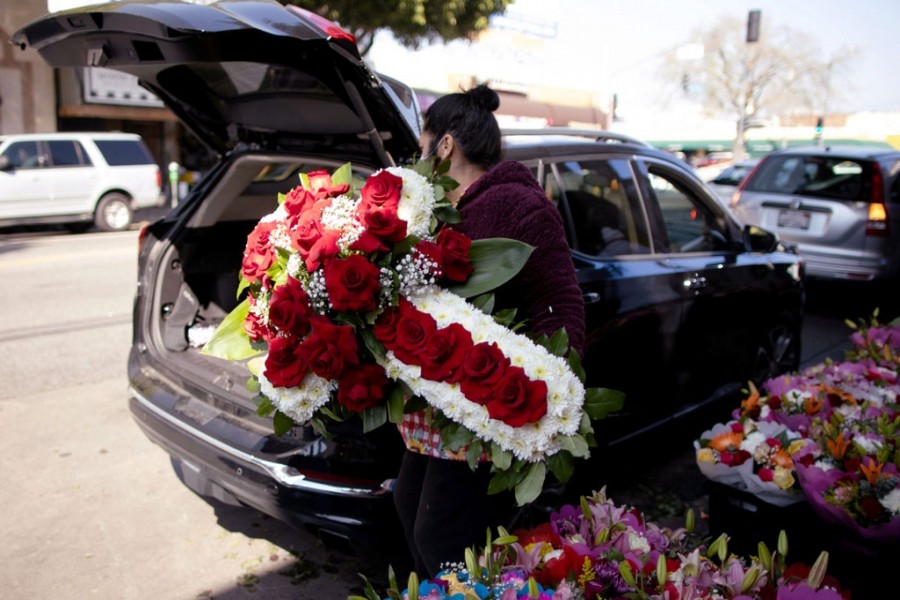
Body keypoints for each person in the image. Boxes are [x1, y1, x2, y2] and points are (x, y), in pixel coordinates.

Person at [392, 84, 586, 577]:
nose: (419, 156)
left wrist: (548, 394)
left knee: (444, 538)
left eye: (422, 144)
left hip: (489, 402)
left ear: (445, 145)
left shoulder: (517, 205)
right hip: (440, 401)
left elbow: (561, 302)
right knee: (409, 509)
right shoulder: (435, 211)